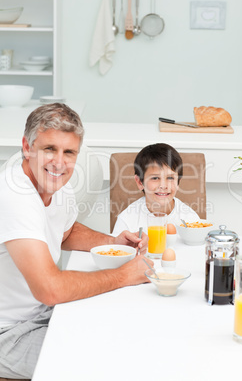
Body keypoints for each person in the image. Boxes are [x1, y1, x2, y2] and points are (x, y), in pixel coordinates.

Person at [0, 103, 152, 379]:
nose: (59, 162)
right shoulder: (15, 195)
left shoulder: (57, 183)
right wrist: (124, 275)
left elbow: (65, 231)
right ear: (27, 147)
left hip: (43, 313)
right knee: (104, 360)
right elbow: (50, 289)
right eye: (49, 149)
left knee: (128, 326)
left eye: (68, 152)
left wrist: (113, 241)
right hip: (7, 334)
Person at [112, 143, 200, 235]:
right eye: (155, 178)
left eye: (170, 178)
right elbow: (116, 247)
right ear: (140, 182)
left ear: (178, 182)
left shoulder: (190, 219)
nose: (163, 186)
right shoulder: (127, 220)